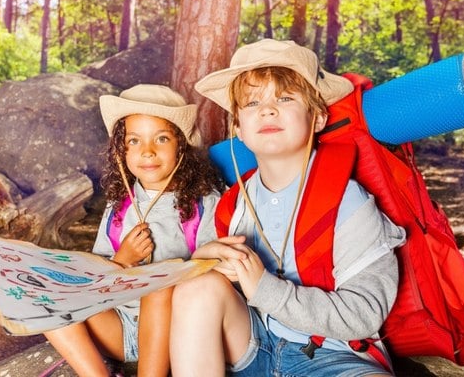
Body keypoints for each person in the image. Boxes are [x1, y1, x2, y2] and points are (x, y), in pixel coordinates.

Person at [169, 39, 406, 376]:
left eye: (285, 97)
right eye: (252, 102)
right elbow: (217, 295)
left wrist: (265, 288)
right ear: (237, 127)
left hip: (331, 355)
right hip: (251, 345)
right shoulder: (234, 203)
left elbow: (364, 314)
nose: (267, 110)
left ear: (318, 118)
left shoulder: (348, 201)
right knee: (195, 289)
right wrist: (203, 262)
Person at [44, 84, 224, 377]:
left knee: (160, 285)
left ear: (181, 146)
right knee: (49, 296)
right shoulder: (119, 206)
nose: (148, 151)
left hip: (178, 333)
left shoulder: (204, 203)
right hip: (119, 327)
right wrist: (122, 260)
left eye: (161, 138)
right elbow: (96, 278)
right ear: (120, 150)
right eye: (134, 141)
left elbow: (212, 278)